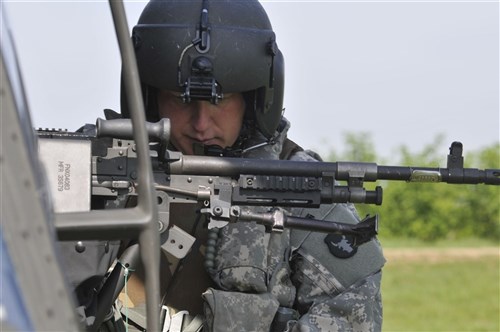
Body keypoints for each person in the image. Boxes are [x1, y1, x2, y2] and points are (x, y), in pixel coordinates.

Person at [117, 0, 386, 331]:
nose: (201, 123)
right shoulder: (101, 169)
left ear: (255, 99)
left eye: (221, 100)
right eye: (180, 98)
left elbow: (353, 316)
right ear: (148, 95)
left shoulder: (300, 191)